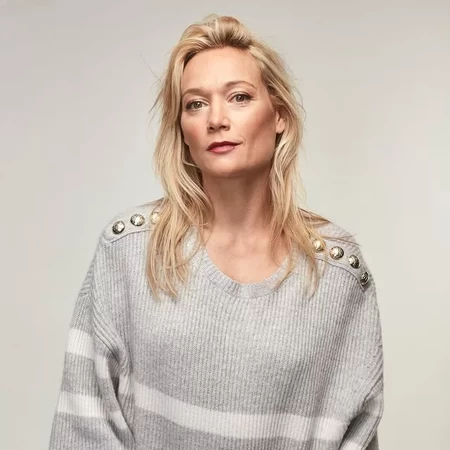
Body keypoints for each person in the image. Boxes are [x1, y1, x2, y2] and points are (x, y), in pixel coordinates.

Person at [49, 14, 384, 450]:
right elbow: (82, 428)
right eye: (195, 104)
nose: (216, 119)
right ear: (182, 129)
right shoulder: (129, 252)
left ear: (279, 116)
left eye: (239, 97)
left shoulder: (336, 272)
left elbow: (356, 433)